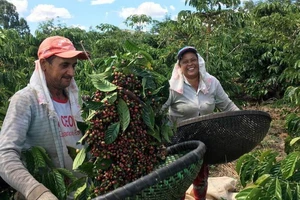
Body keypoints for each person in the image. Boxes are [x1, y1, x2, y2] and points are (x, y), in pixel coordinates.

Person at [0, 36, 89, 200]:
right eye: (64, 65)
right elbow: (4, 156)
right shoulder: (26, 101)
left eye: (74, 65)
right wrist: (36, 192)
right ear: (43, 65)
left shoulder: (77, 101)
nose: (72, 72)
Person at [162, 46, 240, 200]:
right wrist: (161, 137)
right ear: (180, 66)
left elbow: (227, 105)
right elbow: (159, 112)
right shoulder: (172, 87)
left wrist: (244, 120)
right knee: (179, 180)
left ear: (199, 62)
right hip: (179, 140)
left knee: (201, 176)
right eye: (185, 62)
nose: (190, 64)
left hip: (203, 139)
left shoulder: (211, 83)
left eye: (193, 60)